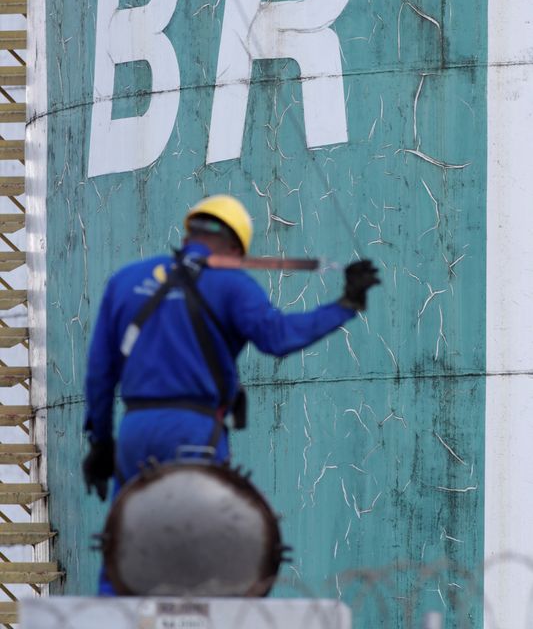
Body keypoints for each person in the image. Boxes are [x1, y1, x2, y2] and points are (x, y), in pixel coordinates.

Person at [83, 194, 380, 593]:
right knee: (200, 551)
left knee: (124, 541)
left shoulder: (125, 280)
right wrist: (346, 304)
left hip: (135, 429)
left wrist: (101, 443)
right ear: (236, 246)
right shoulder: (233, 283)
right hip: (193, 431)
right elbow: (278, 337)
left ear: (191, 231)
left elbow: (100, 374)